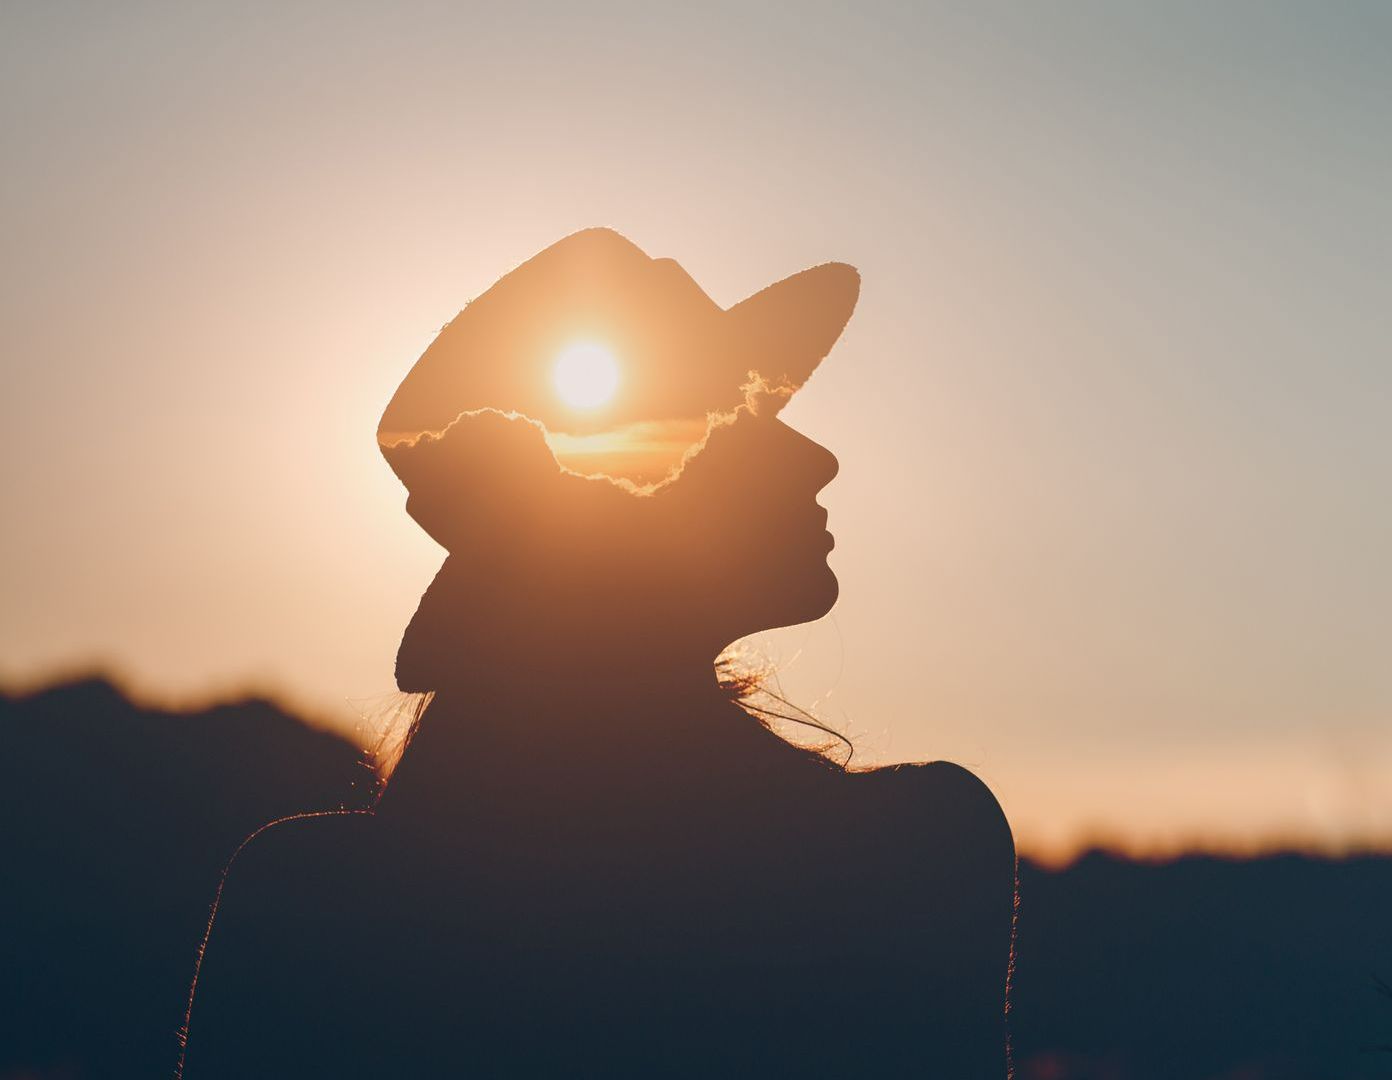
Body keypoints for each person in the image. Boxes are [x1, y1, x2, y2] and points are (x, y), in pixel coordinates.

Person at [181, 229, 1017, 1078]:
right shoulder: (910, 854)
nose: (819, 459)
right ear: (629, 507)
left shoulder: (307, 903)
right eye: (739, 422)